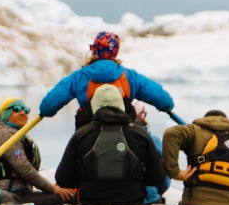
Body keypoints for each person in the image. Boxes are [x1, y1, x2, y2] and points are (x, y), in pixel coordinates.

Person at [51, 82, 168, 205]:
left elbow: (63, 178)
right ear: (121, 105)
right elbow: (158, 177)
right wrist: (135, 180)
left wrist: (85, 180)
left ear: (94, 106)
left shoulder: (81, 135)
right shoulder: (140, 135)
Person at [38, 31, 177, 130]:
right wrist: (167, 108)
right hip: (126, 131)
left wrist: (44, 113)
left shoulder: (78, 77)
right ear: (115, 52)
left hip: (87, 132)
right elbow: (164, 100)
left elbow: (47, 107)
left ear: (94, 50)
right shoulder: (130, 77)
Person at [0, 97, 62, 205]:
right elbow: (23, 168)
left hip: (20, 192)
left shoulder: (20, 135)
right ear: (6, 114)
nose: (23, 113)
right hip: (11, 195)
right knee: (64, 198)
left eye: (26, 110)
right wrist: (53, 189)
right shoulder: (6, 134)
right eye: (16, 109)